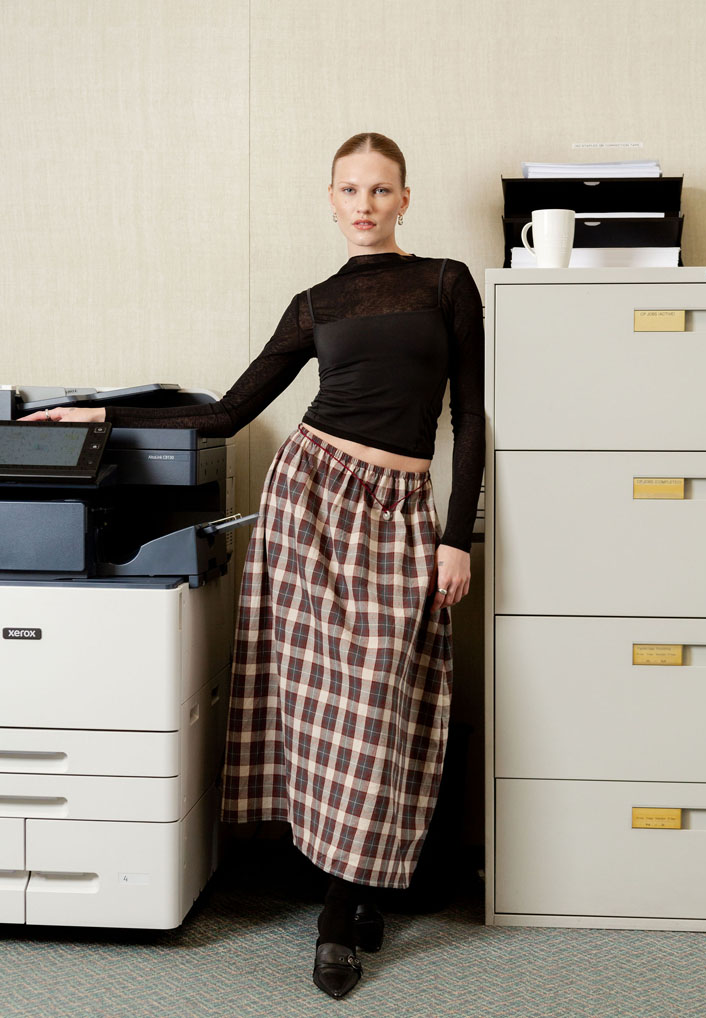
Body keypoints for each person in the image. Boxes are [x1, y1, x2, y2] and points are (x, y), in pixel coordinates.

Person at [21, 132, 485, 1000]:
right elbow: (228, 413)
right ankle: (338, 914)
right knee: (318, 706)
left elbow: (471, 416)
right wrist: (93, 414)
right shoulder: (313, 303)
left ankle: (355, 881)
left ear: (404, 200)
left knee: (379, 701)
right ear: (331, 198)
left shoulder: (445, 282)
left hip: (397, 512)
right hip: (308, 498)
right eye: (348, 189)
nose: (363, 205)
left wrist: (454, 536)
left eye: (380, 190)